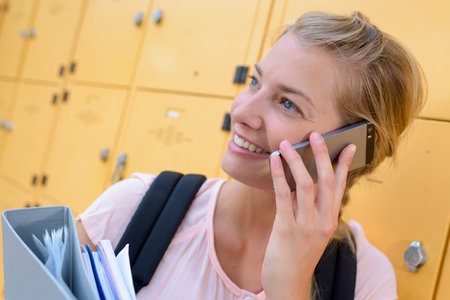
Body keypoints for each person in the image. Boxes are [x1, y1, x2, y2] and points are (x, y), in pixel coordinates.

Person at [77, 11, 425, 300]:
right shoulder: (134, 207)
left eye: (288, 104)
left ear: (351, 146)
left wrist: (288, 289)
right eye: (255, 82)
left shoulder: (365, 279)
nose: (241, 112)